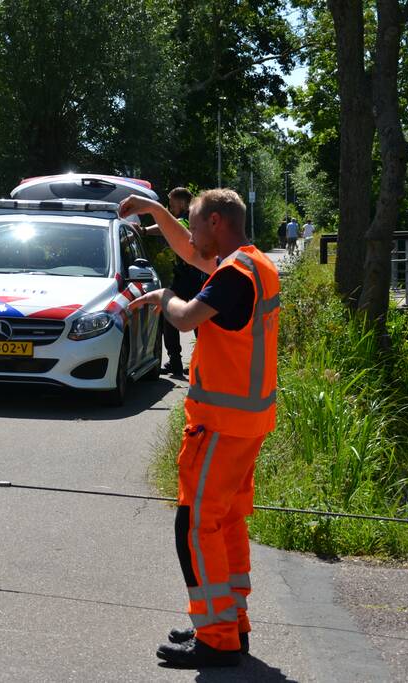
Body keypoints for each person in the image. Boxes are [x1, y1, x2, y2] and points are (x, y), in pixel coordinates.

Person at [119, 189, 279, 669]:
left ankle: (215, 639)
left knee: (194, 527)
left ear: (215, 222)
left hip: (221, 424)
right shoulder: (255, 265)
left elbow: (186, 319)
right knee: (225, 522)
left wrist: (165, 296)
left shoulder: (233, 275)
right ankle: (230, 622)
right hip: (247, 422)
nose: (188, 237)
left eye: (192, 224)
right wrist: (156, 212)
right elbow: (191, 253)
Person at [144, 186, 208, 376]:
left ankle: (177, 361)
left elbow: (168, 226)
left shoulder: (187, 218)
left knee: (169, 313)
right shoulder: (197, 216)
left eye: (171, 204)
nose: (170, 208)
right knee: (198, 320)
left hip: (190, 275)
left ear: (181, 202)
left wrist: (144, 230)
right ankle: (200, 364)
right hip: (195, 274)